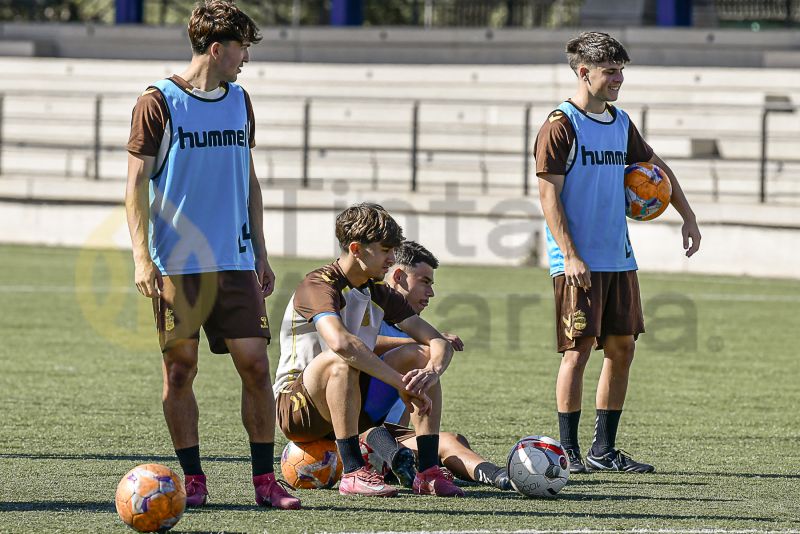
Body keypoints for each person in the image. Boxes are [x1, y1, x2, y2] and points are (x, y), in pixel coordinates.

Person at [124, 0, 299, 509]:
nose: (247, 57)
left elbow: (248, 178)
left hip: (236, 260)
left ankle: (265, 481)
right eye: (242, 47)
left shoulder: (240, 100)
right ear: (217, 48)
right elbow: (134, 186)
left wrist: (262, 250)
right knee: (180, 371)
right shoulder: (157, 101)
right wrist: (141, 258)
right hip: (177, 263)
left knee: (255, 366)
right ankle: (194, 478)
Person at [533, 32, 701, 474]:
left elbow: (656, 169)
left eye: (621, 70)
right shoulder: (560, 125)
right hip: (578, 261)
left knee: (622, 348)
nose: (618, 79)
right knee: (579, 349)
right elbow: (548, 197)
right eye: (610, 71)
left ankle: (603, 451)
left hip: (619, 258)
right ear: (583, 72)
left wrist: (687, 215)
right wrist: (569, 255)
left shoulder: (621, 122)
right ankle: (567, 451)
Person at [273, 203, 463, 497]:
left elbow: (437, 342)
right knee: (342, 359)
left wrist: (430, 372)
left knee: (420, 355)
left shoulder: (378, 291)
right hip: (298, 409)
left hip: (353, 401)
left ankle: (427, 473)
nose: (391, 258)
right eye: (385, 250)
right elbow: (341, 343)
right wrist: (399, 382)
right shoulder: (318, 284)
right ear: (356, 249)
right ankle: (352, 471)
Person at [364, 240, 512, 491]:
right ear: (398, 276)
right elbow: (358, 344)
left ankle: (504, 478)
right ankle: (390, 459)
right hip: (355, 430)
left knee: (453, 441)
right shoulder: (368, 306)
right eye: (425, 282)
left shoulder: (406, 325)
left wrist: (433, 356)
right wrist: (421, 343)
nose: (431, 293)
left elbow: (431, 346)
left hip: (394, 436)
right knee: (417, 355)